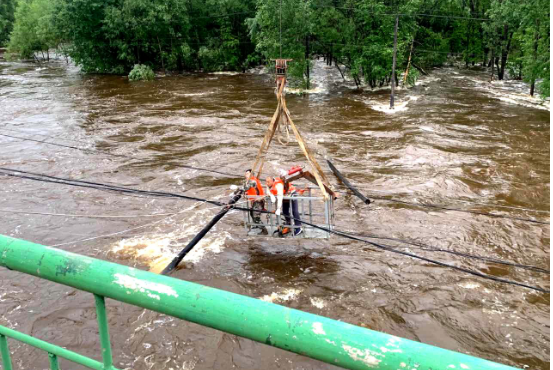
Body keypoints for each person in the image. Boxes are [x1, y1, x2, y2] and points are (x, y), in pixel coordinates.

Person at [244, 169, 267, 234]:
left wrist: (241, 190)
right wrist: (246, 194)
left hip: (258, 201)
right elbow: (250, 190)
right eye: (245, 174)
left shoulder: (252, 181)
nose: (246, 175)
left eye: (247, 173)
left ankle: (264, 230)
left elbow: (246, 188)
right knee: (252, 213)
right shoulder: (251, 180)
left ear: (251, 174)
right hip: (255, 201)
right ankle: (258, 226)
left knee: (256, 216)